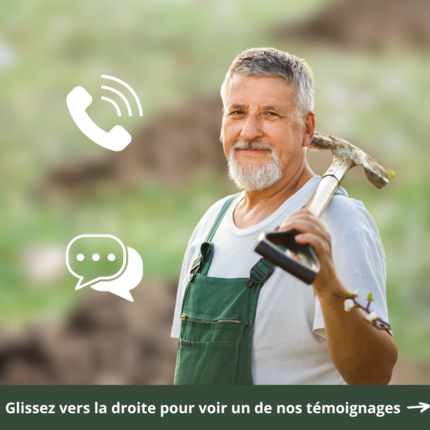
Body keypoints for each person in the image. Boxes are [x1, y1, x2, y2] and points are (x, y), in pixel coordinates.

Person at [171, 48, 397, 385]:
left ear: (307, 129)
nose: (249, 131)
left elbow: (374, 375)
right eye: (237, 112)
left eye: (270, 114)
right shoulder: (212, 223)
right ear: (221, 125)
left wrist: (328, 287)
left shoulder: (340, 224)